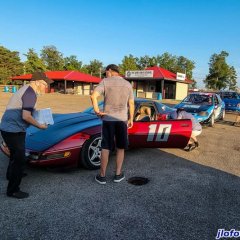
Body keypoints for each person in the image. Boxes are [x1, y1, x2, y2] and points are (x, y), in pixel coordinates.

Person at [0, 71, 53, 199]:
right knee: (19, 160)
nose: (46, 86)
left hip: (8, 128)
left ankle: (11, 175)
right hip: (13, 130)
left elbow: (25, 111)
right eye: (45, 83)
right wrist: (40, 125)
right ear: (37, 82)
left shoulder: (26, 89)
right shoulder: (30, 94)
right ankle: (13, 190)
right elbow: (26, 116)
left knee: (14, 155)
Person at [90, 64, 134, 184]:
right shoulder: (127, 84)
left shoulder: (105, 81)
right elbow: (131, 103)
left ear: (109, 71)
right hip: (122, 120)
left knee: (105, 147)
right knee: (120, 147)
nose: (105, 74)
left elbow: (93, 96)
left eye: (106, 72)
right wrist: (131, 119)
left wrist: (97, 111)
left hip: (108, 119)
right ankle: (118, 175)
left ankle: (102, 176)